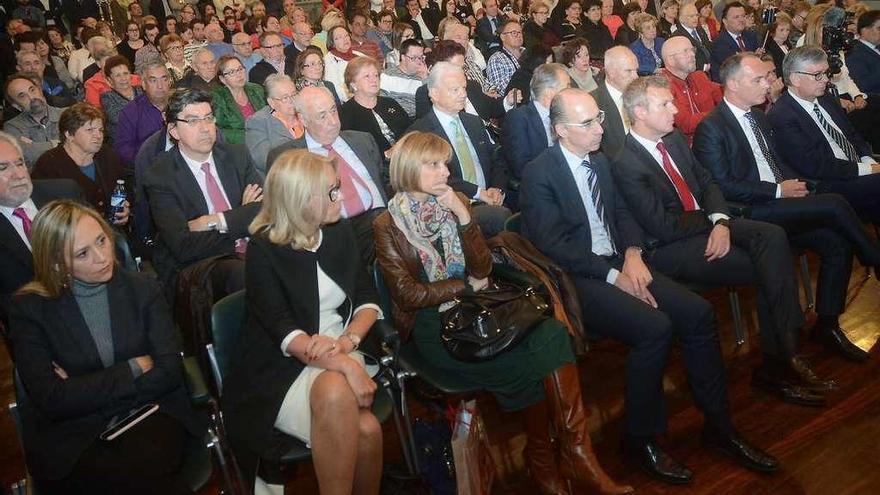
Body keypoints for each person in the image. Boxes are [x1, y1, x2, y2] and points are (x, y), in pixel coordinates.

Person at [519, 82, 778, 487]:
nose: (600, 129)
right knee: (654, 329)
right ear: (560, 130)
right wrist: (613, 275)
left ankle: (719, 425)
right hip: (577, 277)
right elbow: (554, 245)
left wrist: (634, 253)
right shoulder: (539, 173)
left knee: (697, 313)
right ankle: (639, 440)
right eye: (587, 123)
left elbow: (620, 213)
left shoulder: (599, 160)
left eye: (600, 118)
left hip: (621, 261)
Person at [375, 130, 634, 495]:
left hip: (480, 310)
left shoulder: (457, 202)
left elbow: (482, 268)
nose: (445, 173)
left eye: (445, 164)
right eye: (433, 165)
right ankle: (548, 461)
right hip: (435, 327)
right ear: (408, 169)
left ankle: (575, 453)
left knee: (553, 334)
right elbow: (408, 293)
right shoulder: (387, 225)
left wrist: (464, 218)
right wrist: (463, 287)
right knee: (538, 364)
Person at [611, 75, 834, 407]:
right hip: (671, 248)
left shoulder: (671, 140)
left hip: (707, 224)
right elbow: (663, 226)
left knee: (773, 237)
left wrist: (719, 219)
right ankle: (782, 359)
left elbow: (707, 181)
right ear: (640, 112)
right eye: (666, 104)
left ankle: (783, 356)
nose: (675, 109)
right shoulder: (625, 162)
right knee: (767, 266)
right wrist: (715, 223)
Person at [693, 52, 880, 363]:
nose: (768, 83)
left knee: (837, 242)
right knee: (835, 203)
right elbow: (721, 187)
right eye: (758, 79)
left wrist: (794, 186)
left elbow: (778, 164)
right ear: (733, 85)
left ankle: (827, 324)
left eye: (766, 77)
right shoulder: (712, 127)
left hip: (780, 202)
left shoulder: (760, 117)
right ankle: (874, 256)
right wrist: (778, 190)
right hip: (749, 212)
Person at [8, 199, 204, 494]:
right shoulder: (30, 310)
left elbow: (169, 371)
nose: (102, 257)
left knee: (144, 467)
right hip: (78, 437)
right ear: (58, 263)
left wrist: (82, 389)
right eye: (83, 254)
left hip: (151, 413)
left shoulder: (143, 289)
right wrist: (132, 368)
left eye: (102, 240)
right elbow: (51, 399)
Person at [223, 149, 383, 494]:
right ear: (301, 200)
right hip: (279, 368)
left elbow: (368, 299)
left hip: (337, 343)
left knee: (365, 426)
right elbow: (284, 332)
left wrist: (346, 344)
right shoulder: (264, 250)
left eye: (337, 186)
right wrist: (348, 367)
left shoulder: (339, 232)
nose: (340, 196)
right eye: (330, 191)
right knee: (361, 423)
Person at [142, 88, 263, 297]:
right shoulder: (160, 176)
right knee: (244, 274)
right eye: (192, 121)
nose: (205, 128)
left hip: (251, 249)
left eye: (208, 118)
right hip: (198, 267)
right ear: (174, 131)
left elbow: (264, 211)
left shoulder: (237, 155)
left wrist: (213, 221)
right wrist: (240, 218)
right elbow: (183, 245)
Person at [266, 86, 388, 265]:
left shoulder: (362, 140)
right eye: (322, 116)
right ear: (303, 120)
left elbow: (385, 182)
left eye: (333, 111)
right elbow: (286, 212)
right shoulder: (287, 157)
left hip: (382, 222)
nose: (333, 121)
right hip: (334, 233)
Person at [767, 46, 880, 227]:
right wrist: (867, 170)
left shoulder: (826, 99)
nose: (826, 80)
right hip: (828, 184)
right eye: (818, 75)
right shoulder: (782, 115)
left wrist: (868, 160)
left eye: (826, 73)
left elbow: (852, 135)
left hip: (857, 170)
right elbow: (815, 165)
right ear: (795, 78)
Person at [408, 62, 512, 236]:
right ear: (434, 94)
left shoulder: (473, 122)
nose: (463, 94)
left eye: (464, 88)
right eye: (455, 90)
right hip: (453, 207)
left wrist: (496, 187)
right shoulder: (421, 133)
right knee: (501, 217)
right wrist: (480, 193)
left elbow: (496, 158)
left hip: (490, 196)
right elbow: (435, 180)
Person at [0, 132, 82, 318]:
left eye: (20, 163)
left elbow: (109, 245)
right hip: (36, 322)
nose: (18, 174)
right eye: (3, 168)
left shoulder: (66, 192)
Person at [31, 103, 130, 226]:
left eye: (100, 130)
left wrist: (125, 209)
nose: (98, 135)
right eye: (90, 130)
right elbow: (45, 215)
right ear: (69, 134)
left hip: (111, 230)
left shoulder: (108, 156)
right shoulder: (48, 165)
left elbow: (123, 190)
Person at [502, 63, 571, 182]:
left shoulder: (567, 116)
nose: (571, 92)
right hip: (540, 186)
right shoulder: (519, 118)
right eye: (567, 87)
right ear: (550, 92)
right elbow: (522, 168)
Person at [340, 57, 412, 157]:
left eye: (376, 75)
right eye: (367, 76)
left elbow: (410, 131)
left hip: (407, 158)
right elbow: (353, 153)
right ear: (353, 85)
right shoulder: (345, 114)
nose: (374, 80)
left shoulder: (390, 103)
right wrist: (386, 154)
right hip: (377, 167)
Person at [660, 36, 722, 142]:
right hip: (690, 148)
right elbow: (686, 124)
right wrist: (721, 112)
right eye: (685, 51)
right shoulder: (662, 87)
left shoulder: (699, 76)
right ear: (670, 60)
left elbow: (726, 94)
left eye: (692, 50)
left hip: (715, 136)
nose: (693, 54)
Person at [245, 74, 304, 176]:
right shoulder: (258, 122)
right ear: (271, 102)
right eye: (285, 98)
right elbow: (264, 160)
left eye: (294, 95)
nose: (292, 101)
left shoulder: (305, 113)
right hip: (283, 179)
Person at [115, 61, 172, 165]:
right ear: (143, 84)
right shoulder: (130, 113)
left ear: (169, 82)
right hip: (149, 168)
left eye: (164, 79)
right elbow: (123, 152)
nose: (160, 86)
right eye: (153, 80)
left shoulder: (181, 105)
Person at [3, 74, 64, 167]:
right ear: (17, 106)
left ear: (40, 90)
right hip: (40, 179)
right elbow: (25, 156)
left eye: (32, 90)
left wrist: (34, 145)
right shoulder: (12, 127)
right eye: (22, 96)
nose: (32, 98)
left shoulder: (66, 114)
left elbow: (80, 144)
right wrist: (57, 143)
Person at [591, 46, 638, 157]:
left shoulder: (642, 95)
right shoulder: (593, 103)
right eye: (629, 71)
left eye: (636, 70)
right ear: (611, 72)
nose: (636, 76)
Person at [213, 55, 267, 145]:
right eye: (232, 72)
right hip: (238, 146)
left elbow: (269, 115)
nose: (239, 74)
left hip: (265, 139)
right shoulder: (217, 98)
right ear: (222, 79)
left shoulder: (256, 89)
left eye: (240, 69)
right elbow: (219, 130)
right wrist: (250, 136)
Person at [709, 2, 760, 81]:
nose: (741, 20)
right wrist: (753, 57)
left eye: (743, 16)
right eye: (736, 17)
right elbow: (734, 68)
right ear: (725, 22)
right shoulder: (719, 43)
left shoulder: (751, 36)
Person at [380, 38, 427, 119]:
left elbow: (430, 104)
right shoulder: (387, 75)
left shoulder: (424, 77)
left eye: (421, 57)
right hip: (395, 119)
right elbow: (383, 105)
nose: (419, 62)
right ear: (403, 57)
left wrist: (425, 79)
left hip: (419, 120)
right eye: (414, 58)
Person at [324, 26, 367, 103]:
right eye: (339, 37)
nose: (345, 39)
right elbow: (336, 89)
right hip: (349, 101)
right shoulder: (328, 60)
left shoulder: (359, 55)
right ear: (332, 42)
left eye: (346, 35)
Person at [485, 19, 526, 95]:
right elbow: (499, 90)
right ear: (503, 37)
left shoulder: (530, 53)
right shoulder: (497, 59)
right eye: (514, 33)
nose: (519, 35)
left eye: (520, 32)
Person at [846, 10, 880, 94]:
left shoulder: (877, 47)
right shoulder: (854, 53)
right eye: (879, 29)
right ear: (865, 30)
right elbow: (861, 85)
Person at [672, 1, 712, 72]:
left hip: (711, 66)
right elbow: (683, 61)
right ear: (682, 19)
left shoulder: (699, 29)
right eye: (691, 16)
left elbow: (708, 46)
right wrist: (704, 67)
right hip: (695, 72)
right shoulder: (678, 36)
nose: (695, 18)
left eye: (697, 15)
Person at [764, 13, 793, 77]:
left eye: (787, 30)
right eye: (781, 30)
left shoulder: (789, 45)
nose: (785, 33)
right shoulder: (768, 48)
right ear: (773, 31)